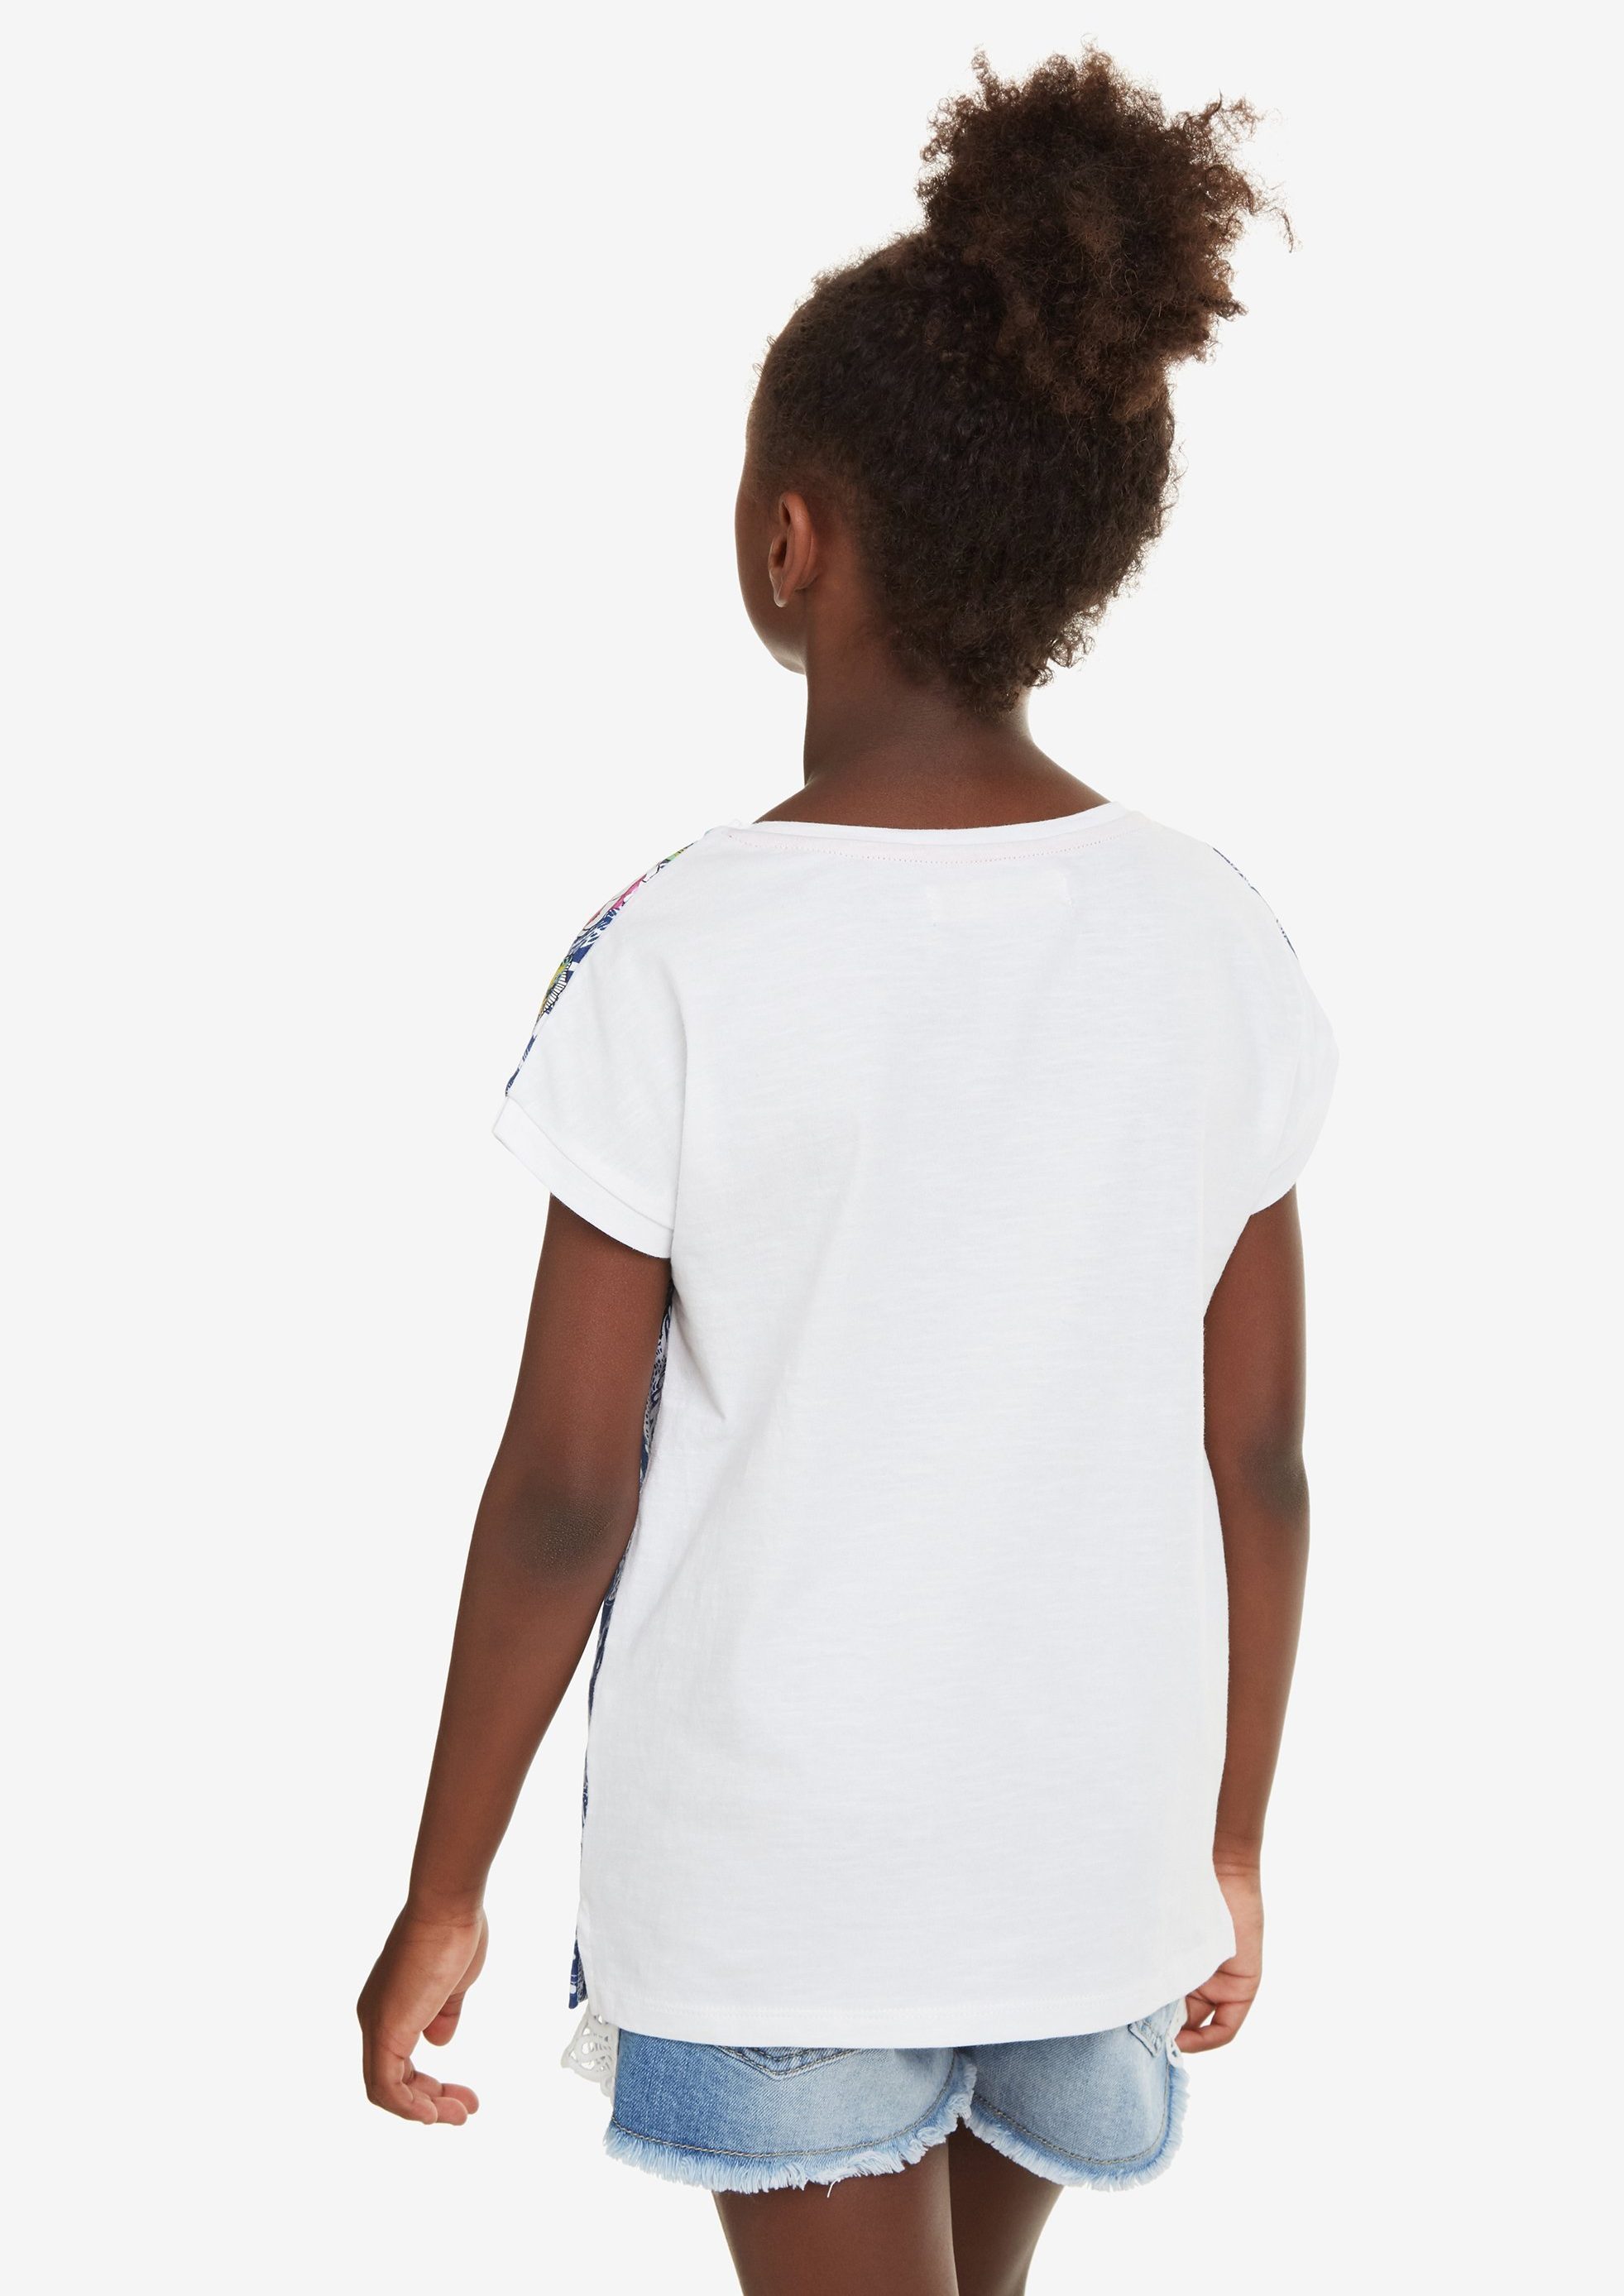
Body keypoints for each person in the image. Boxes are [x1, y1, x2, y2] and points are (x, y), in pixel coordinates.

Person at [357, 46, 1337, 2296]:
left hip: (788, 1877)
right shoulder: (1213, 937)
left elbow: (564, 1489)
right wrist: (1228, 1838)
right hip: (1088, 1855)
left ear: (789, 540)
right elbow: (1260, 1457)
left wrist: (444, 1886)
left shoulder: (683, 948)